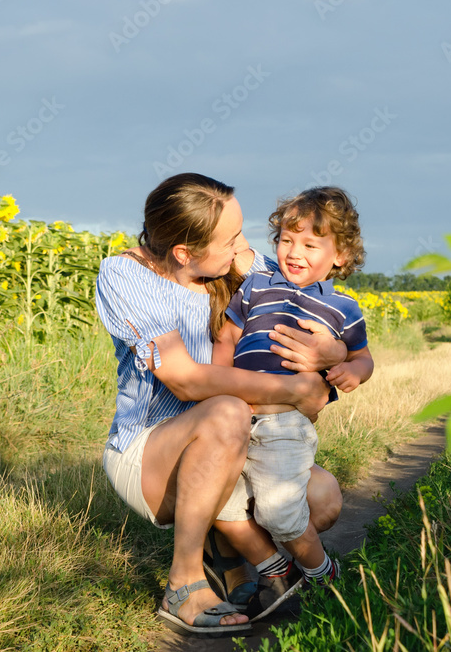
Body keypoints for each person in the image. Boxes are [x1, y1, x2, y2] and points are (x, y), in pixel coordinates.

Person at [93, 173, 347, 636]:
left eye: (241, 232)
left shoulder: (239, 269)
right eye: (230, 241)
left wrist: (335, 352)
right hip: (151, 453)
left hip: (240, 442)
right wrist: (293, 391)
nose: (243, 249)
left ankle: (240, 555)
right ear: (183, 253)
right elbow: (186, 380)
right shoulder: (126, 275)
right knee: (227, 410)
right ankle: (185, 583)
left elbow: (321, 302)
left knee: (323, 498)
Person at [212, 186, 373, 588]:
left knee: (278, 511)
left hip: (283, 424)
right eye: (286, 240)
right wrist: (217, 389)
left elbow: (363, 358)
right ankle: (274, 567)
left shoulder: (344, 308)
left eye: (310, 245)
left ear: (340, 255)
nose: (294, 252)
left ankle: (321, 572)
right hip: (234, 417)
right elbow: (227, 339)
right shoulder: (256, 285)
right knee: (222, 502)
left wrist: (353, 371)